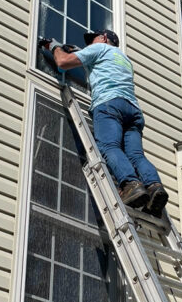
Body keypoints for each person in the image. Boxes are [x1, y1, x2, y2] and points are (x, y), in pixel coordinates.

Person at [38, 30, 169, 214]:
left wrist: (54, 47)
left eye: (93, 39)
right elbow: (100, 63)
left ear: (104, 39)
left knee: (109, 146)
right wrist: (80, 51)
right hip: (133, 110)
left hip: (109, 104)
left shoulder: (99, 48)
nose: (91, 44)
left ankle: (131, 184)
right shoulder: (124, 59)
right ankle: (154, 187)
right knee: (136, 155)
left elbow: (62, 63)